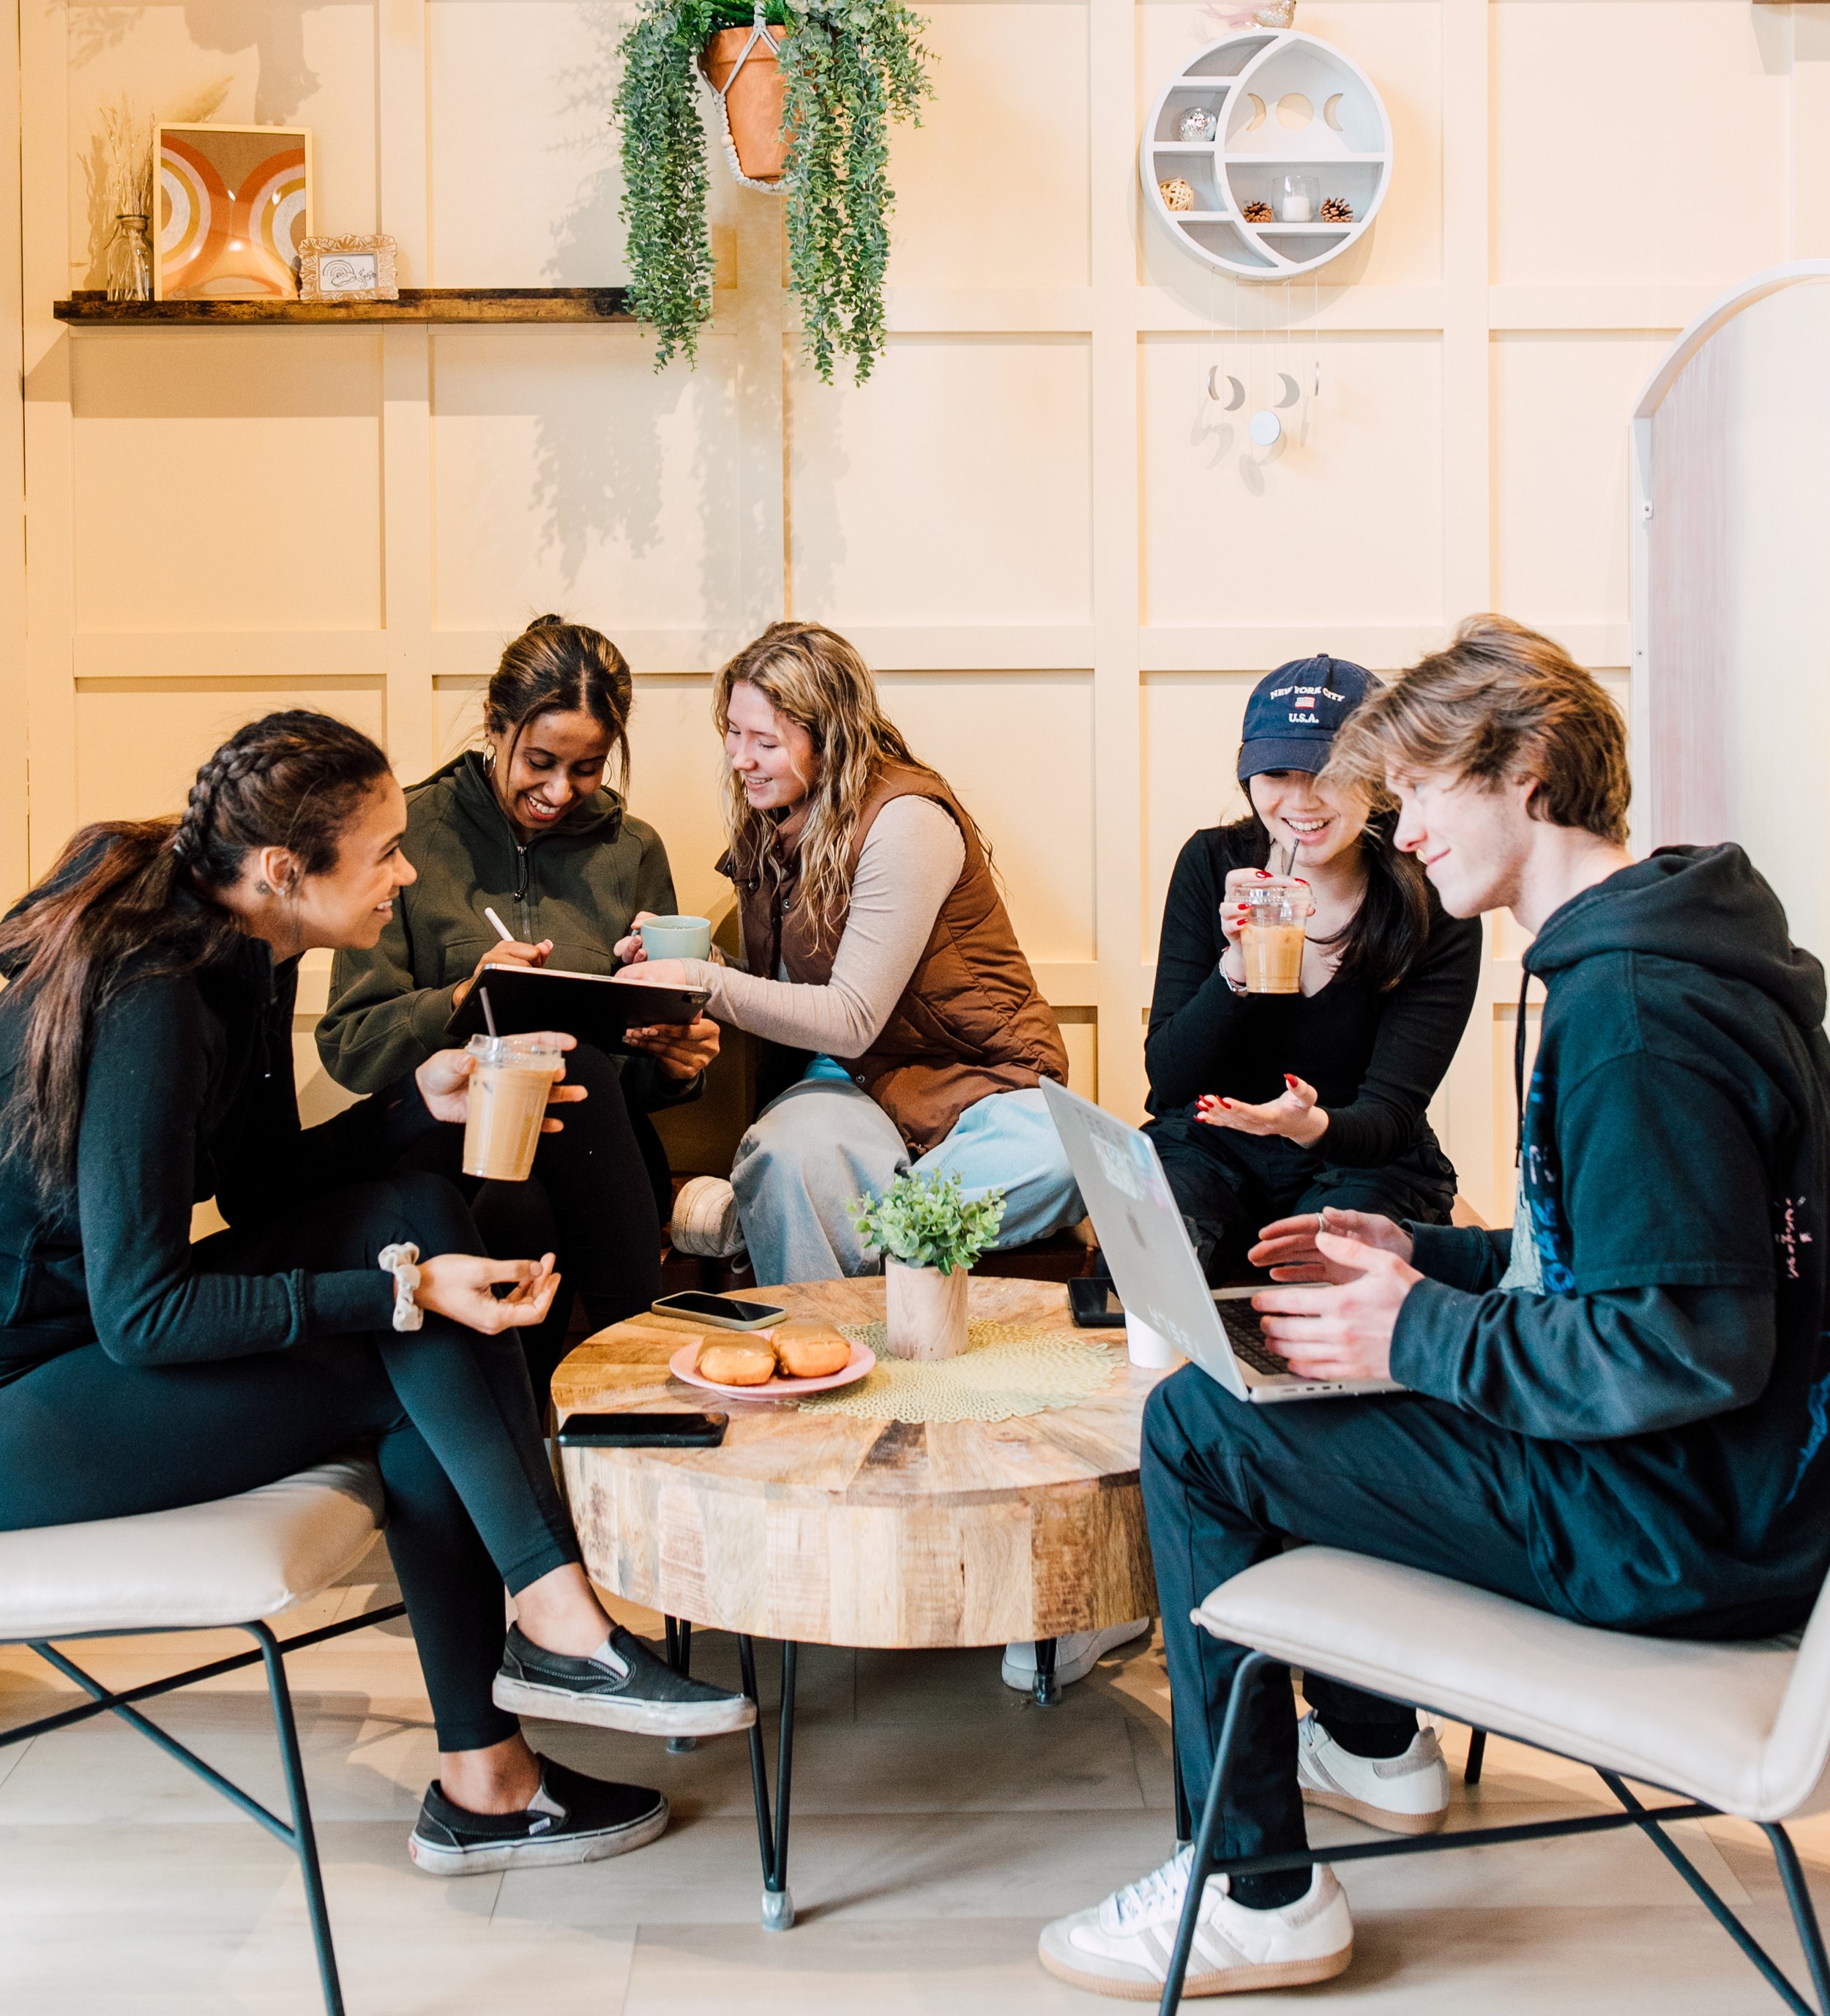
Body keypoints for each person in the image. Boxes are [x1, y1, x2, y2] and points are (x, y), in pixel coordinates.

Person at [1042, 614, 1830, 1999]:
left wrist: (1410, 1330)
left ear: (1526, 771)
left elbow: (1683, 1346)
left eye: (1419, 797)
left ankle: (1255, 1890)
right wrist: (1421, 1256)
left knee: (1198, 1433)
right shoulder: (1657, 957)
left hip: (1669, 1526)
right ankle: (1364, 1742)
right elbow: (1633, 1264)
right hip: (1715, 1490)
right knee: (1284, 1374)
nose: (1400, 834)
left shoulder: (1633, 1016)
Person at [0, 711, 752, 1883]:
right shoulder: (154, 989)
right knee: (416, 1318)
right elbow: (142, 1310)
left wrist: (420, 1101)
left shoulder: (241, 943)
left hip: (90, 1342)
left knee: (414, 1207)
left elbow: (255, 1190)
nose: (406, 873)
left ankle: (521, 1707)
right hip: (25, 1401)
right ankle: (521, 1701)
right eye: (384, 851)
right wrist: (397, 1292)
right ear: (282, 870)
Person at [624, 619, 1141, 1695]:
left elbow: (852, 1014)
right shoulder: (772, 830)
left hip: (981, 1090)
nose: (740, 755)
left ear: (828, 730)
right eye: (732, 732)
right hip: (856, 1102)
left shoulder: (907, 819)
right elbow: (827, 1044)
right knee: (793, 1146)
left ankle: (836, 1230)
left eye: (762, 736)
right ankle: (842, 1439)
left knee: (1093, 1149)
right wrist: (691, 974)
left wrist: (701, 984)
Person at [318, 616, 716, 1407]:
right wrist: (462, 998)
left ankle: (534, 1441)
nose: (560, 792)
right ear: (495, 728)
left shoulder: (631, 850)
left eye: (587, 768)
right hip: (445, 1138)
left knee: (557, 1124)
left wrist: (671, 1061)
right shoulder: (413, 836)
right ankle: (648, 1383)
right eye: (539, 762)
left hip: (587, 1140)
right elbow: (352, 1045)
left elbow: (640, 1070)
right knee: (523, 1170)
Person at [1145, 654, 1479, 1283]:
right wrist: (1238, 963)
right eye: (1277, 772)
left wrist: (1309, 1125)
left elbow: (1389, 1119)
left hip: (1361, 1156)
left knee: (1325, 1281)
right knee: (1157, 1268)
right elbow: (1168, 1081)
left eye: (1331, 772)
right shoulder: (1210, 863)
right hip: (1212, 1146)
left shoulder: (1437, 902)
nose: (1302, 800)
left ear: (1379, 777)